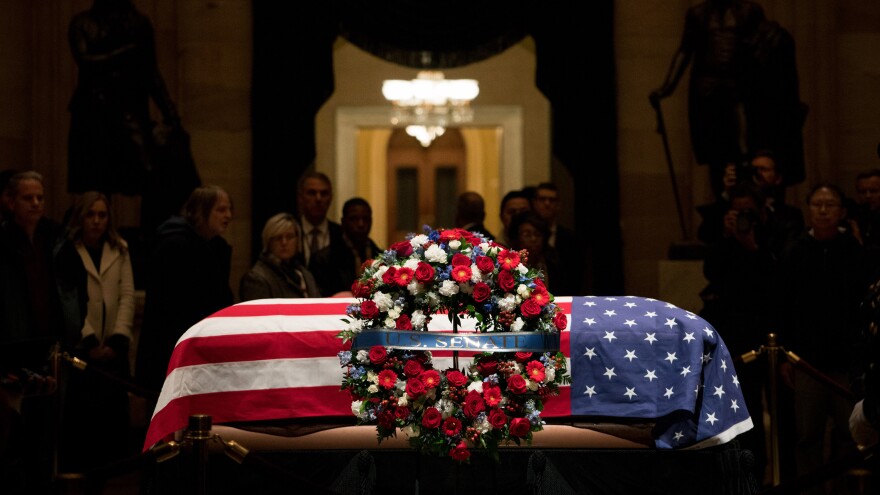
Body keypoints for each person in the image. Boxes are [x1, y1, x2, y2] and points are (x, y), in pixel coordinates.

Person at [650, 0, 806, 200]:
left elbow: (764, 42)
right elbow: (685, 50)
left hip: (739, 88)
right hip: (707, 92)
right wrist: (666, 88)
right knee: (717, 158)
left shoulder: (749, 11)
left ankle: (752, 201)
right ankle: (722, 207)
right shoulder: (697, 14)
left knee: (746, 148)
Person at [778, 183, 869, 495]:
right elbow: (785, 307)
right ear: (809, 209)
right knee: (807, 435)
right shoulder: (796, 252)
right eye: (817, 204)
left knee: (849, 434)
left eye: (830, 204)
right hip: (808, 359)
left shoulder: (855, 252)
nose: (824, 210)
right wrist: (787, 356)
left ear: (841, 211)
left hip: (846, 361)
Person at [0, 171, 85, 493]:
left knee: (48, 427)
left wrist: (70, 331)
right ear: (11, 201)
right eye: (27, 197)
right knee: (13, 429)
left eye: (40, 197)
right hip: (14, 346)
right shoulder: (4, 242)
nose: (36, 203)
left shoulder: (56, 239)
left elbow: (76, 288)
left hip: (51, 345)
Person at [697, 182, 780, 485]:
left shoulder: (772, 235)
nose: (743, 217)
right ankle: (739, 476)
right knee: (738, 410)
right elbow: (712, 274)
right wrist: (728, 237)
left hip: (766, 335)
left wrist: (751, 244)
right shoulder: (725, 241)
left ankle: (769, 476)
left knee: (769, 412)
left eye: (748, 211)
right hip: (732, 335)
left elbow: (774, 280)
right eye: (737, 211)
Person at [67, 0, 180, 197]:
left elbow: (151, 71)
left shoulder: (138, 23)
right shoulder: (82, 22)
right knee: (94, 179)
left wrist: (170, 112)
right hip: (94, 109)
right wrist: (125, 53)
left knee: (149, 173)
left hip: (130, 108)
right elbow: (86, 62)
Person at [57, 191, 135, 474]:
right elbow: (68, 298)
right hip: (83, 348)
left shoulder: (119, 248)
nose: (97, 221)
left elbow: (127, 295)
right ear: (81, 217)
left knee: (111, 421)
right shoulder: (68, 249)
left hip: (112, 345)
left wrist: (118, 337)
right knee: (83, 422)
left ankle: (108, 471)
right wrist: (87, 338)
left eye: (102, 215)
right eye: (91, 215)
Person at [135, 185, 233, 398]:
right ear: (202, 211)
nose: (228, 216)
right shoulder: (174, 245)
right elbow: (172, 307)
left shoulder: (215, 248)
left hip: (201, 349)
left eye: (229, 210)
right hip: (173, 349)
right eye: (221, 210)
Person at [309, 197, 383, 297]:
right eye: (354, 219)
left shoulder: (380, 256)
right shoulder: (323, 259)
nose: (361, 224)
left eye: (365, 219)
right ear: (343, 222)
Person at [239, 212, 320, 301]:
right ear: (268, 242)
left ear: (298, 240)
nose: (284, 242)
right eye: (278, 238)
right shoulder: (256, 278)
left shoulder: (305, 275)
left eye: (289, 237)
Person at [529, 182, 587, 295]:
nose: (547, 204)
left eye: (552, 200)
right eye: (542, 199)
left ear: (559, 204)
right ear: (534, 203)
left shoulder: (571, 239)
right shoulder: (526, 236)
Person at [297, 172, 347, 296]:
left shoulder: (342, 234)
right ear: (300, 197)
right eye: (312, 193)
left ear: (330, 198)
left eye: (324, 193)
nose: (318, 199)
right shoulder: (290, 232)